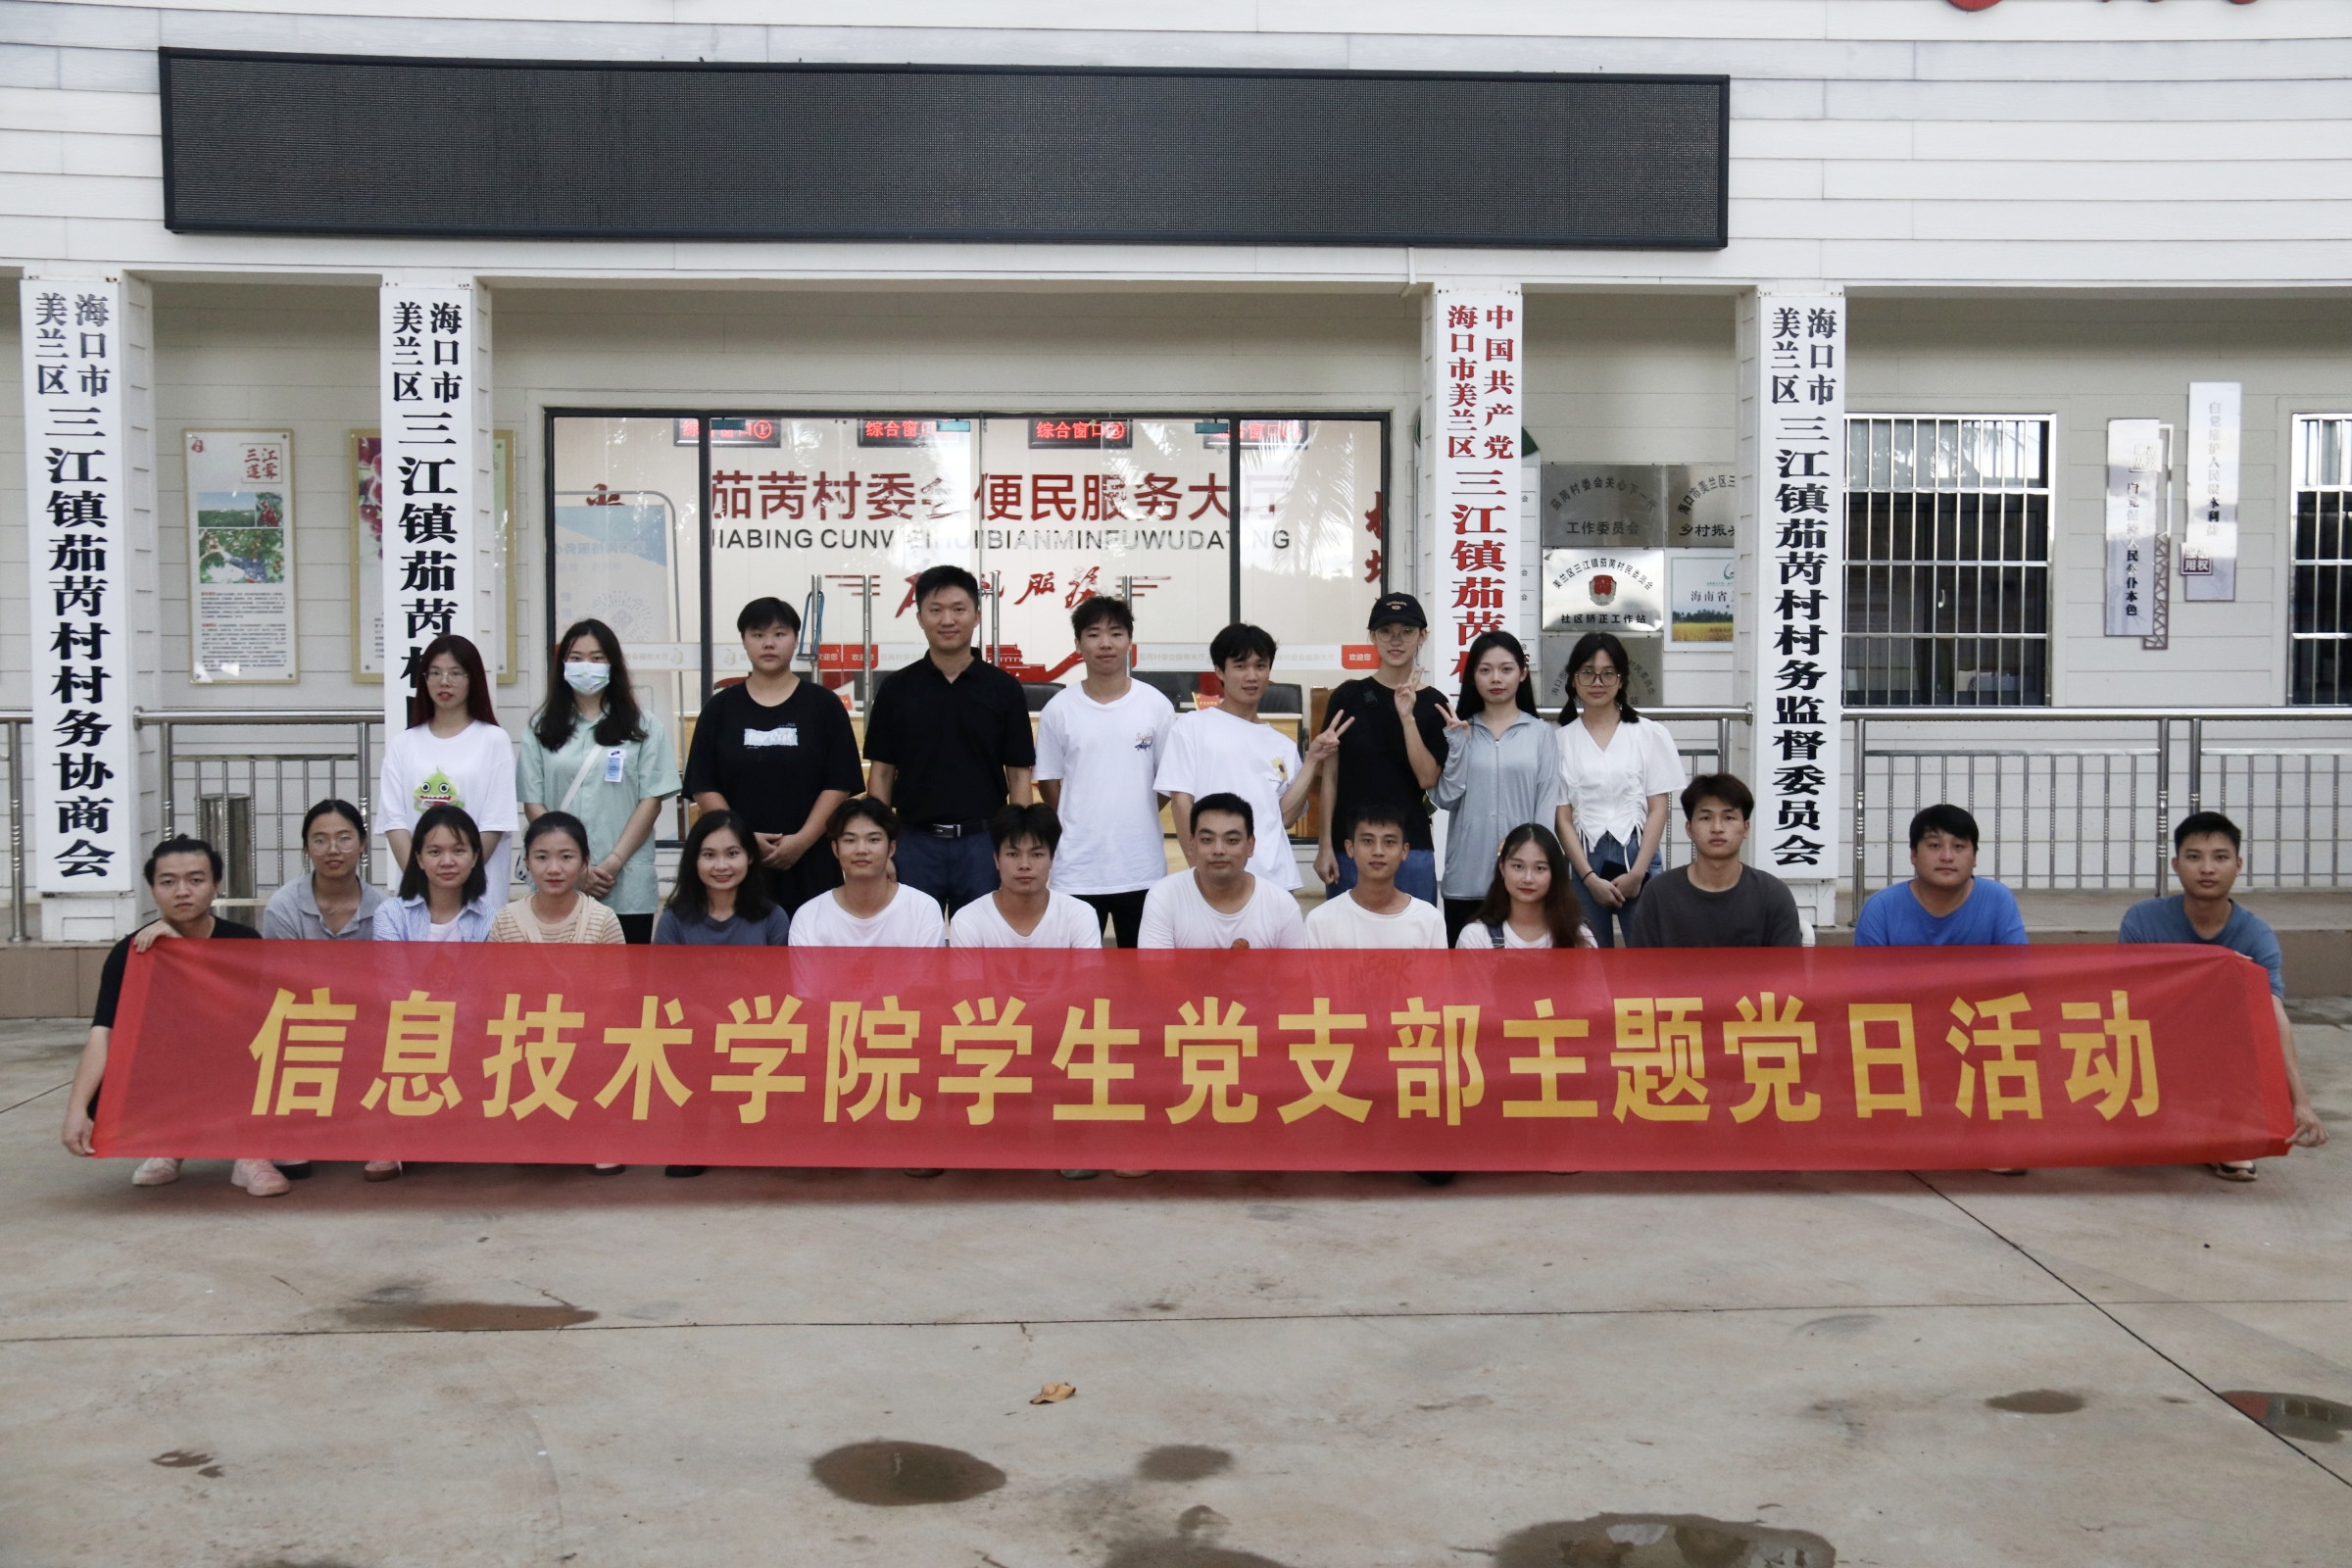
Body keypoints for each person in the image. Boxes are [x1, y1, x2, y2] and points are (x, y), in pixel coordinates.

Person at [59, 836, 276, 1196]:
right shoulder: (131, 952)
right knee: (106, 1086)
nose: (182, 891)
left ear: (216, 885)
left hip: (234, 1063)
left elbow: (240, 1022)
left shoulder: (244, 943)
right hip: (169, 1067)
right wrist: (76, 1109)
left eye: (196, 880)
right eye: (168, 882)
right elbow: (104, 1032)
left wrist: (181, 954)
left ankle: (250, 1155)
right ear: (152, 889)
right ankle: (169, 1144)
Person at [2120, 811, 2328, 1179]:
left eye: (2220, 857)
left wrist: (2301, 1103)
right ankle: (2147, 1117)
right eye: (2194, 857)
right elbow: (2130, 999)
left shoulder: (2256, 935)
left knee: (2250, 1027)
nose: (2207, 869)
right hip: (2159, 1039)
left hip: (2219, 1045)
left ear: (2238, 864)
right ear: (2176, 864)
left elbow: (2273, 1014)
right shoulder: (2142, 920)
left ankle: (2226, 1133)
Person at [861, 564, 1037, 912]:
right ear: (920, 617)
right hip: (913, 843)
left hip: (983, 845)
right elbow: (880, 775)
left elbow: (1019, 777)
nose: (947, 620)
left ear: (976, 616)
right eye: (936, 610)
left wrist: (1014, 849)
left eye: (958, 609)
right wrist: (883, 847)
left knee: (981, 942)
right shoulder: (896, 689)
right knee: (911, 940)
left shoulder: (1004, 690)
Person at [684, 597, 863, 915]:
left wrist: (802, 841)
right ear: (744, 641)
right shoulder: (720, 709)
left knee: (811, 943)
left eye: (779, 634)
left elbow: (839, 783)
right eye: (758, 634)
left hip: (811, 861)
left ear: (795, 639)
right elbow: (703, 784)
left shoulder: (824, 706)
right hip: (737, 865)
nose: (769, 643)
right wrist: (742, 839)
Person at [519, 617, 679, 944]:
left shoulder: (643, 726)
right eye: (576, 658)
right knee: (556, 973)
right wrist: (573, 867)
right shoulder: (540, 727)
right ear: (562, 665)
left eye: (596, 658)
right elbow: (533, 802)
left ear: (612, 665)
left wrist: (612, 863)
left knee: (625, 973)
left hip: (625, 881)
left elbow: (651, 802)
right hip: (558, 881)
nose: (586, 666)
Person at [1033, 595, 1177, 948]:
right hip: (1077, 868)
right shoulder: (1059, 709)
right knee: (1075, 972)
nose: (1105, 643)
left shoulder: (1155, 705)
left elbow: (1168, 781)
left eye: (1115, 633)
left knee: (1142, 970)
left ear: (1129, 641)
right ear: (1078, 644)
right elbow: (1049, 780)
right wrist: (1078, 815)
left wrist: (1137, 808)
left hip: (1141, 866)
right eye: (1094, 634)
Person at [1155, 623, 1343, 895]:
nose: (1252, 676)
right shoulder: (1192, 727)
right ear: (1220, 671)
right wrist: (1199, 867)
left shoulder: (1282, 744)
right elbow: (1181, 802)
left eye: (1260, 666)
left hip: (1275, 881)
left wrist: (1313, 759)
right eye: (1240, 666)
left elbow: (1285, 817)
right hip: (1214, 879)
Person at [1315, 593, 1450, 905]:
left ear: (1422, 636)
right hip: (1350, 847)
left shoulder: (1434, 703)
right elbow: (1330, 777)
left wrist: (1407, 717)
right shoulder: (1347, 696)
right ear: (1373, 636)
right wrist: (1325, 846)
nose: (1396, 640)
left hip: (1411, 846)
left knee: (1415, 934)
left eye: (1407, 631)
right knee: (1348, 935)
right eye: (1386, 631)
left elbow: (1428, 778)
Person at [1553, 630, 1685, 948]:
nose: (1597, 682)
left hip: (1639, 857)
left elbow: (1658, 808)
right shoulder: (1559, 740)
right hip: (1586, 861)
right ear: (1574, 680)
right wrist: (1588, 878)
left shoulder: (1649, 734)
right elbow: (1563, 818)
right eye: (1587, 672)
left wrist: (1638, 873)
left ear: (1622, 679)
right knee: (1591, 961)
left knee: (1648, 957)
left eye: (1607, 673)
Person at [1432, 630, 1561, 945]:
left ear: (1522, 673)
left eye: (1506, 669)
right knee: (1465, 969)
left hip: (1523, 881)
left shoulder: (1541, 733)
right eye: (1485, 670)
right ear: (1472, 676)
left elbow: (1545, 806)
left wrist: (1536, 862)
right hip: (1466, 877)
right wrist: (1458, 744)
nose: (1496, 679)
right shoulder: (1459, 729)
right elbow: (1446, 798)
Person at [378, 632, 519, 900]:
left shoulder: (493, 740)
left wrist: (459, 880)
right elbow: (394, 821)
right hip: (418, 893)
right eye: (435, 673)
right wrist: (423, 881)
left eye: (455, 673)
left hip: (477, 892)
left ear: (473, 679)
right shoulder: (403, 743)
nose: (444, 681)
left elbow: (495, 822)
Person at [1625, 774, 1805, 949]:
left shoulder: (1772, 895)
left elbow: (1788, 968)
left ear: (1746, 828)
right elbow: (1641, 966)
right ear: (1689, 828)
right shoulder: (1659, 894)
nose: (1717, 828)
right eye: (1706, 818)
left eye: (1728, 818)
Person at [1137, 792, 1306, 950]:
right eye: (1207, 839)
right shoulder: (1164, 897)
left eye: (1231, 840)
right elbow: (1155, 970)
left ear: (1250, 845)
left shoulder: (1282, 905)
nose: (1218, 850)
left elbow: (1293, 971)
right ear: (1192, 843)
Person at [1853, 804, 2028, 948]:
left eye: (1958, 846)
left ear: (1974, 857)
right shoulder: (1881, 908)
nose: (1947, 857)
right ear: (1914, 854)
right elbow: (1868, 976)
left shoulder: (1997, 900)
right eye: (1934, 846)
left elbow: (2016, 970)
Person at [787, 796, 949, 948]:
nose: (861, 850)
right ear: (835, 849)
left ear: (891, 848)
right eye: (850, 840)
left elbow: (928, 970)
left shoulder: (922, 909)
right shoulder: (808, 917)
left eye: (873, 840)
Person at [950, 804, 1105, 949]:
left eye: (1036, 854)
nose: (1024, 865)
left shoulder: (1079, 916)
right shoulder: (968, 920)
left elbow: (1087, 971)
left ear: (1052, 859)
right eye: (1013, 854)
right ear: (996, 859)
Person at [1304, 805, 1447, 950]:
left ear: (1404, 851)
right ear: (1350, 848)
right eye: (1368, 841)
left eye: (1389, 842)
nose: (1378, 851)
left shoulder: (1429, 920)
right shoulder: (1320, 921)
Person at [655, 809, 793, 946]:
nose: (721, 866)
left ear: (750, 856)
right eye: (709, 855)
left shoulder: (773, 918)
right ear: (694, 860)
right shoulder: (672, 921)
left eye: (732, 853)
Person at [490, 811, 625, 945]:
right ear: (527, 862)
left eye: (566, 857)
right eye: (542, 857)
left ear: (584, 861)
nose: (554, 869)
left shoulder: (602, 921)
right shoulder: (506, 920)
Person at [370, 804, 500, 944]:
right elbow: (390, 959)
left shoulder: (492, 920)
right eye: (435, 852)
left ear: (474, 857)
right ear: (419, 859)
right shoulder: (391, 914)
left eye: (458, 851)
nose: (447, 862)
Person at [261, 798, 386, 940]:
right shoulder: (284, 907)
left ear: (362, 843)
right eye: (320, 841)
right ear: (307, 848)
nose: (333, 850)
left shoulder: (383, 909)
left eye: (344, 838)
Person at [1455, 824, 1595, 950]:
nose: (1528, 879)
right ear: (1502, 867)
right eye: (1518, 866)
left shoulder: (1580, 937)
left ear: (1555, 873)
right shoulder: (1476, 937)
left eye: (1539, 868)